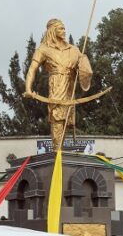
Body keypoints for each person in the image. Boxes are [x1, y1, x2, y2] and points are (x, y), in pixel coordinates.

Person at [23, 18, 95, 151]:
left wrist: (83, 60)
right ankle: (57, 151)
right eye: (60, 28)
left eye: (64, 28)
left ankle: (61, 150)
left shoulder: (73, 49)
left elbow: (84, 68)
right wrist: (28, 89)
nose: (64, 31)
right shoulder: (44, 49)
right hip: (56, 84)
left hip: (70, 84)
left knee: (67, 118)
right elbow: (32, 69)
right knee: (57, 117)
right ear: (52, 31)